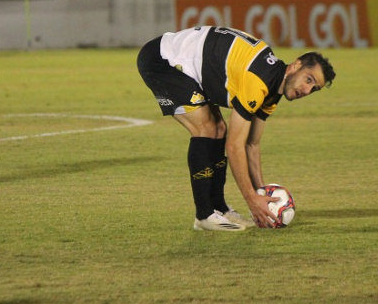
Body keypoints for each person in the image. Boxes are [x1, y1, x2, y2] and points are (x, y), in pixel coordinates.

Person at [137, 26, 335, 231]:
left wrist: (263, 197)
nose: (306, 90)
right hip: (162, 60)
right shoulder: (259, 81)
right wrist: (251, 199)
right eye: (308, 79)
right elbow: (234, 146)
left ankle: (219, 209)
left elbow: (251, 144)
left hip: (189, 67)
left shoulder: (273, 87)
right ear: (296, 66)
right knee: (207, 128)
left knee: (219, 129)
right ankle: (204, 215)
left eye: (314, 89)